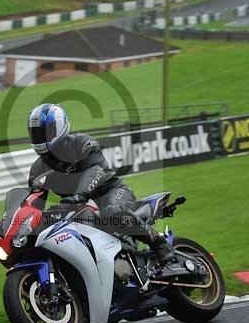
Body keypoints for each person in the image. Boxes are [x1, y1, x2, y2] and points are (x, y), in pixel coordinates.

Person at [26, 103, 176, 267]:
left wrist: (77, 197)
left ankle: (159, 244)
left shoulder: (82, 143)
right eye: (36, 133)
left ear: (59, 127)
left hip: (111, 192)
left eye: (44, 132)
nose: (40, 137)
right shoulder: (38, 169)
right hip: (78, 207)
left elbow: (95, 170)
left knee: (113, 212)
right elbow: (33, 203)